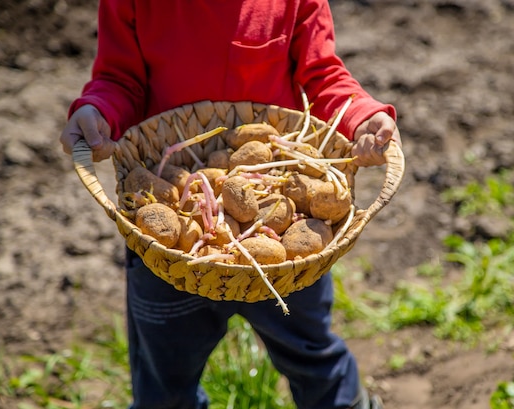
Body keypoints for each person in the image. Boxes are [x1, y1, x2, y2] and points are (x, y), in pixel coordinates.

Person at [60, 1, 401, 408]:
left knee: (314, 358)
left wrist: (361, 117)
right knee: (162, 382)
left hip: (285, 256)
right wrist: (97, 110)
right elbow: (120, 78)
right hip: (168, 253)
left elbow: (322, 75)